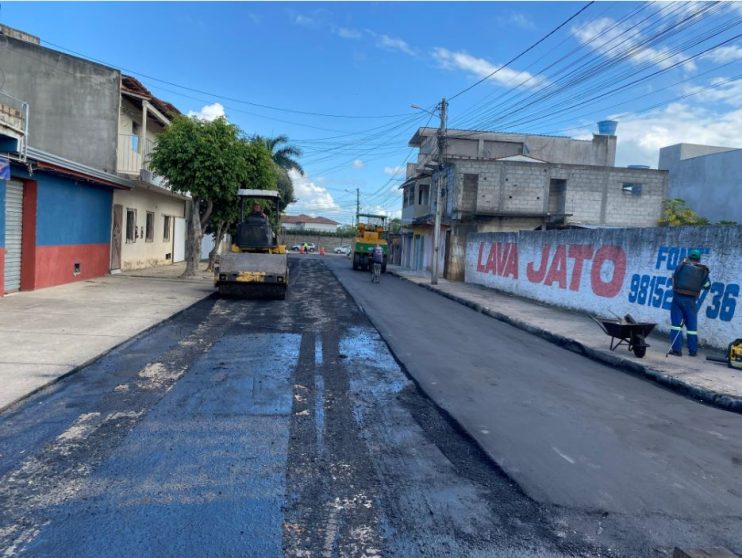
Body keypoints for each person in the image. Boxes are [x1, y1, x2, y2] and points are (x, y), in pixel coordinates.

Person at [669, 249, 710, 357]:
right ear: (699, 259)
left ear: (689, 257)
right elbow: (707, 286)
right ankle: (693, 351)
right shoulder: (703, 270)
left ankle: (677, 350)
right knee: (692, 327)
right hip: (691, 301)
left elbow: (674, 277)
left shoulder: (681, 266)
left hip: (678, 299)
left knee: (676, 326)